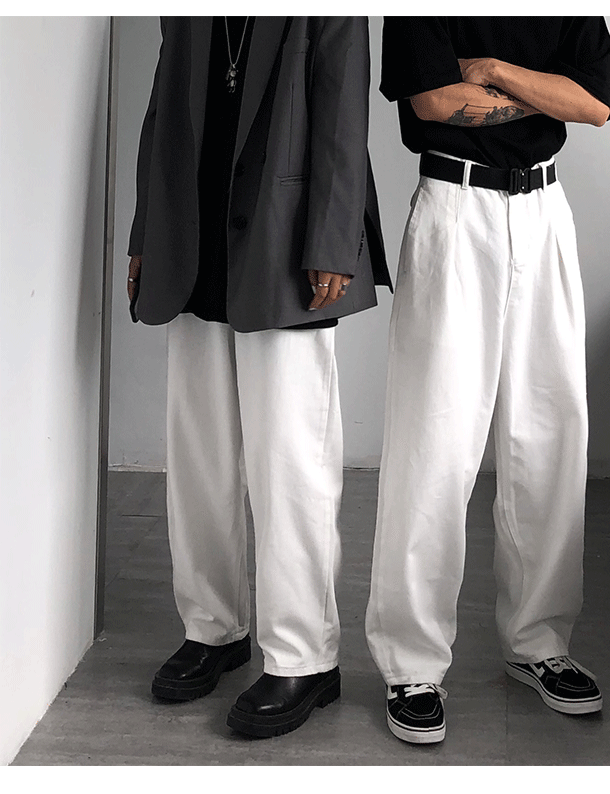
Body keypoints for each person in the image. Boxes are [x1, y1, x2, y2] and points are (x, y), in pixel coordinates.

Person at [127, 15, 390, 739]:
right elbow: (162, 105)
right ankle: (213, 629)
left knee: (291, 463)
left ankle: (305, 656)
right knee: (199, 458)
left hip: (284, 238)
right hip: (192, 238)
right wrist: (147, 230)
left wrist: (333, 239)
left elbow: (343, 111)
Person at [365, 17, 610, 744]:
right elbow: (435, 102)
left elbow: (594, 104)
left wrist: (496, 71)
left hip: (544, 212)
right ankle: (412, 663)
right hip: (455, 208)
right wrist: (546, 93)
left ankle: (539, 643)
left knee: (551, 432)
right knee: (433, 441)